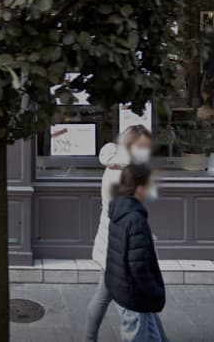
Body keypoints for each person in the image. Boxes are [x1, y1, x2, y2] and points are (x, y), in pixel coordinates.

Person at [84, 125, 153, 342]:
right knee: (119, 299)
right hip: (117, 245)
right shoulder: (122, 173)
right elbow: (124, 214)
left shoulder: (119, 166)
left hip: (113, 240)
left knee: (126, 297)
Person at [105, 164, 168, 342]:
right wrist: (153, 292)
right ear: (139, 188)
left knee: (154, 336)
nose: (151, 190)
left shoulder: (119, 207)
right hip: (134, 295)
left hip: (122, 287)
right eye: (150, 185)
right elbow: (138, 265)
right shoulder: (135, 218)